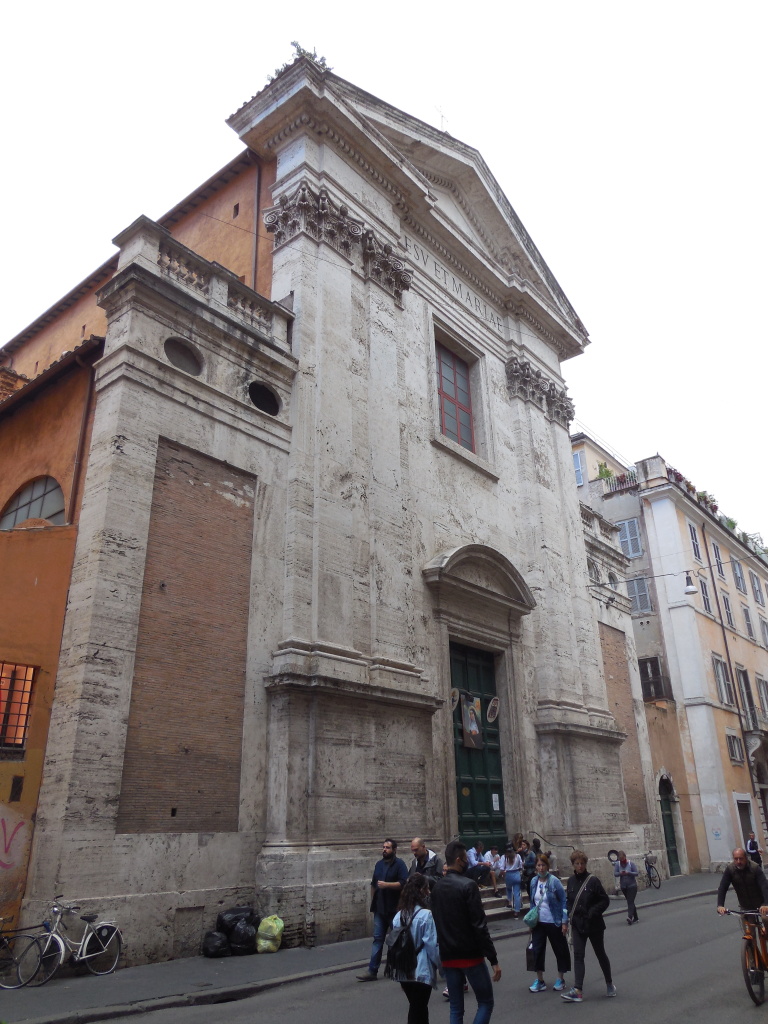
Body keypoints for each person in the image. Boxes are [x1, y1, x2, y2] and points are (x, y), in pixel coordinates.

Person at [431, 839, 502, 1024]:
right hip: (470, 954)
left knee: (456, 1008)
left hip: (448, 955)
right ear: (458, 859)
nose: (467, 863)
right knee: (486, 1002)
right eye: (465, 859)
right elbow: (479, 925)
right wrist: (493, 959)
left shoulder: (437, 888)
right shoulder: (468, 885)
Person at [560, 850, 616, 1002]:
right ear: (573, 865)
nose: (580, 866)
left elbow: (604, 900)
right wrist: (569, 915)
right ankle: (578, 990)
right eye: (577, 864)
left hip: (594, 924)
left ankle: (609, 983)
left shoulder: (593, 881)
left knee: (600, 953)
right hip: (578, 924)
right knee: (578, 955)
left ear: (585, 864)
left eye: (582, 863)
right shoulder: (571, 881)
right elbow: (569, 900)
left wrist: (592, 912)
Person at [387, 874, 442, 1024]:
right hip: (421, 968)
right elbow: (432, 945)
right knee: (418, 1008)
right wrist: (441, 968)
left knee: (418, 1007)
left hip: (404, 968)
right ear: (421, 891)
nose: (428, 892)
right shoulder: (426, 915)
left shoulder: (398, 916)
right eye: (427, 889)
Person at [358, 838, 409, 981]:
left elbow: (404, 883)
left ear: (394, 850)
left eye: (387, 847)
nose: (384, 850)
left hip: (394, 909)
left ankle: (401, 968)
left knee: (397, 940)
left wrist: (387, 885)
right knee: (378, 939)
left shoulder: (400, 864)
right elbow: (373, 884)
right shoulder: (379, 865)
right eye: (383, 847)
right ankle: (372, 970)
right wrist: (373, 902)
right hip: (380, 909)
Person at [527, 853, 571, 993]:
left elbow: (564, 901)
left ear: (548, 866)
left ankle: (560, 978)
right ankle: (540, 980)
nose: (541, 868)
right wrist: (531, 921)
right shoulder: (534, 881)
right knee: (537, 950)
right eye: (539, 865)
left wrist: (564, 922)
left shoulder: (554, 882)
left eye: (543, 865)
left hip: (554, 921)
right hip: (539, 923)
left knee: (559, 950)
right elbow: (532, 902)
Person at [717, 847, 768, 916]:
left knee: (765, 919)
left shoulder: (755, 868)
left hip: (761, 902)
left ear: (746, 858)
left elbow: (764, 886)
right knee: (747, 922)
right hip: (745, 905)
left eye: (741, 858)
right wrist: (720, 905)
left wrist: (766, 904)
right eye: (736, 859)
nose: (738, 861)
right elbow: (723, 887)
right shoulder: (730, 869)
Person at [613, 850, 640, 924]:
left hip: (632, 885)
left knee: (630, 901)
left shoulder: (631, 863)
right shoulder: (618, 865)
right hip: (624, 886)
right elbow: (615, 874)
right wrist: (620, 873)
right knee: (630, 901)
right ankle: (636, 917)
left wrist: (629, 873)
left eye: (623, 859)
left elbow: (636, 873)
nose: (622, 861)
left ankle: (630, 917)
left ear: (625, 857)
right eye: (620, 859)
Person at [499, 844, 523, 915]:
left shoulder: (504, 857)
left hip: (508, 874)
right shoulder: (518, 856)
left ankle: (509, 901)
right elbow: (521, 865)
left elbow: (502, 868)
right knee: (516, 893)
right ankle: (517, 910)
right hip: (516, 874)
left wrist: (502, 874)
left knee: (509, 889)